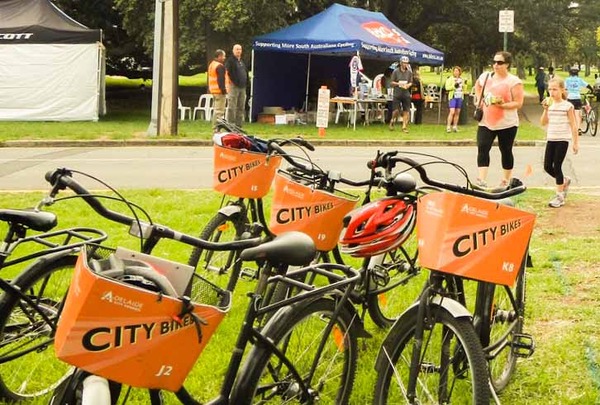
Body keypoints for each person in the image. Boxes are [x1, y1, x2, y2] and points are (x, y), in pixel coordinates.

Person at [473, 51, 524, 187]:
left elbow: (518, 103)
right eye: (494, 62)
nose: (496, 65)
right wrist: (479, 99)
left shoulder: (513, 81)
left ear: (507, 64)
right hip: (486, 120)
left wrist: (502, 105)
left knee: (505, 150)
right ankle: (481, 180)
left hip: (507, 123)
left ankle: (505, 180)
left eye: (500, 63)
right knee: (483, 148)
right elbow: (478, 85)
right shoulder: (485, 76)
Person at [540, 77, 578, 208]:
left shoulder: (568, 106)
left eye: (555, 89)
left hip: (563, 139)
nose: (552, 92)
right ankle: (564, 180)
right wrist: (545, 109)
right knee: (547, 166)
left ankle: (559, 196)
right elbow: (543, 122)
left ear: (562, 90)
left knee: (557, 166)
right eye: (550, 89)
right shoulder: (549, 104)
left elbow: (573, 125)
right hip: (551, 138)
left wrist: (575, 142)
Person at [564, 65, 593, 134]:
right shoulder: (579, 80)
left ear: (570, 73)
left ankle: (571, 128)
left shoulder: (567, 80)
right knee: (577, 114)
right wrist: (592, 90)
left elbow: (564, 88)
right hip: (577, 98)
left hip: (570, 98)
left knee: (570, 114)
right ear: (577, 73)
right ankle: (578, 129)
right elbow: (587, 85)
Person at [225, 44, 248, 127]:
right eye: (237, 49)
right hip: (234, 86)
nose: (238, 51)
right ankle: (230, 125)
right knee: (232, 106)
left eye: (240, 49)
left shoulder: (242, 61)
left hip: (242, 87)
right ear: (233, 50)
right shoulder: (230, 61)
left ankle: (239, 125)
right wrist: (231, 83)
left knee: (241, 107)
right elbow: (227, 73)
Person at [389, 56, 413, 132]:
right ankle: (392, 121)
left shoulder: (409, 72)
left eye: (406, 63)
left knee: (406, 110)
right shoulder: (395, 71)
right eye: (404, 63)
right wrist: (398, 83)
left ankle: (404, 127)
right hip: (397, 93)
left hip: (406, 93)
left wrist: (408, 85)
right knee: (396, 111)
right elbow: (391, 82)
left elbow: (411, 82)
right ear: (400, 63)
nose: (405, 64)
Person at [207, 49, 227, 131]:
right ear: (219, 56)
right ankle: (216, 129)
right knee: (219, 111)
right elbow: (221, 80)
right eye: (223, 56)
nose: (224, 58)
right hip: (219, 92)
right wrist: (223, 90)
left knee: (216, 110)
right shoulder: (220, 66)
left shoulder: (212, 65)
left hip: (213, 90)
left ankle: (215, 127)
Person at [444, 66, 467, 132]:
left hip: (459, 97)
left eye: (457, 71)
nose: (456, 72)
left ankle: (455, 126)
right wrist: (454, 86)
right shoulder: (450, 79)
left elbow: (464, 89)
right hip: (453, 97)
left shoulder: (461, 79)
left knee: (457, 112)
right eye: (455, 71)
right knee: (452, 111)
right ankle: (448, 126)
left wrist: (464, 84)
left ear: (460, 72)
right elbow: (447, 88)